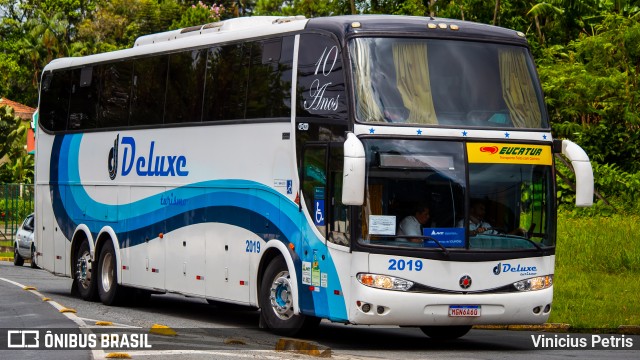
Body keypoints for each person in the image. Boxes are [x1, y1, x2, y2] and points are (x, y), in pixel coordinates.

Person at [459, 200, 524, 236]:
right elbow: (459, 237)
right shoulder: (462, 223)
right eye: (481, 209)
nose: (484, 212)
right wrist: (475, 232)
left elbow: (501, 237)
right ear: (472, 209)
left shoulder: (486, 225)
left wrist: (517, 231)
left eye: (484, 210)